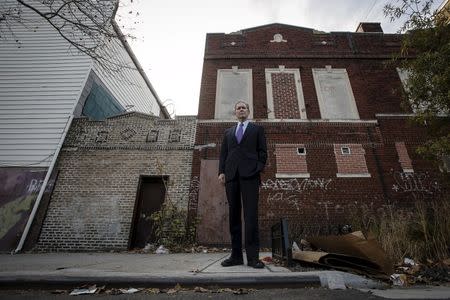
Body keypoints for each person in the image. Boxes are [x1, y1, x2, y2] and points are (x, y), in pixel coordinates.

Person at [218, 100, 267, 269]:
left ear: (248, 111)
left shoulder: (257, 130)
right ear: (235, 112)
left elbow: (263, 152)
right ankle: (236, 256)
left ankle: (253, 258)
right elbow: (223, 154)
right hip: (231, 177)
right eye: (238, 108)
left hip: (250, 176)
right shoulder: (228, 132)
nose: (241, 110)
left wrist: (257, 168)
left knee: (251, 216)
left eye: (244, 108)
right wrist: (221, 172)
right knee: (234, 216)